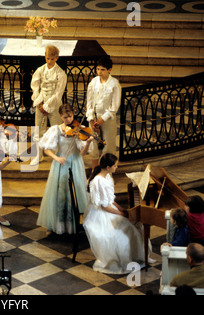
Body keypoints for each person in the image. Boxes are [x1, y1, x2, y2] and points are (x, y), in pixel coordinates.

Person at [83, 153, 146, 274]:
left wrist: (121, 209)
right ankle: (127, 258)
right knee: (125, 230)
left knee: (133, 225)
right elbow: (104, 206)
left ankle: (136, 255)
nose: (116, 168)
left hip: (108, 208)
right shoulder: (98, 181)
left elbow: (110, 200)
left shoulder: (106, 177)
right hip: (101, 214)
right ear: (108, 167)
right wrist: (120, 214)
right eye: (115, 166)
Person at [36, 103, 93, 234]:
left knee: (76, 194)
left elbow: (82, 153)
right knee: (61, 195)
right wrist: (57, 158)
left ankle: (73, 225)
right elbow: (46, 150)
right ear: (61, 116)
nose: (69, 119)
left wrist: (88, 142)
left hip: (75, 163)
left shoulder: (79, 129)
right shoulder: (56, 129)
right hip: (61, 163)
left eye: (70, 116)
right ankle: (58, 225)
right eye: (66, 117)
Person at [30, 45, 67, 166]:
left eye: (52, 59)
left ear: (56, 58)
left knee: (56, 129)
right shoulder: (40, 70)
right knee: (38, 129)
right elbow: (35, 86)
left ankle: (57, 155)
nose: (49, 61)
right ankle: (37, 155)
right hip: (41, 101)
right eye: (47, 58)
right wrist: (40, 103)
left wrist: (47, 106)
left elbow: (58, 93)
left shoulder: (61, 73)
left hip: (54, 103)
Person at [86, 56, 121, 170]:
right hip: (94, 119)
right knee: (93, 145)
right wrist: (91, 120)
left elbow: (114, 106)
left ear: (109, 70)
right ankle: (94, 172)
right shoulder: (93, 82)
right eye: (98, 69)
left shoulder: (114, 84)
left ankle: (107, 173)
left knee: (108, 145)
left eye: (102, 69)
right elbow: (89, 102)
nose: (99, 72)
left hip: (107, 119)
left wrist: (102, 120)